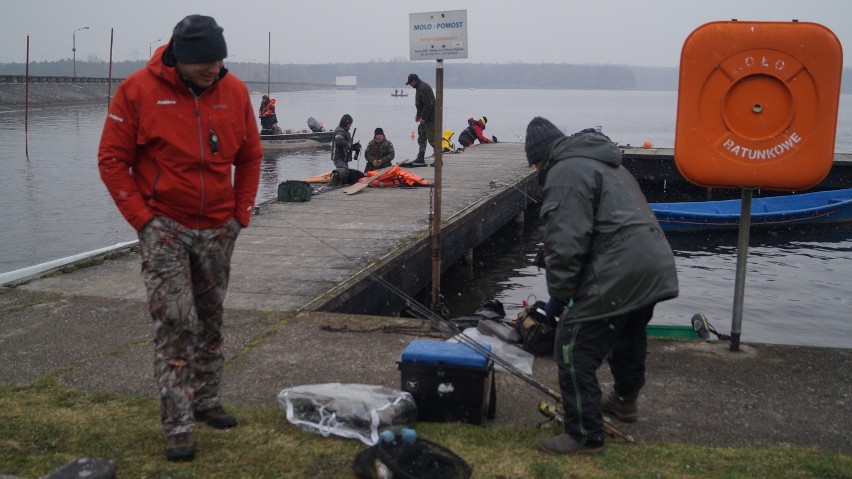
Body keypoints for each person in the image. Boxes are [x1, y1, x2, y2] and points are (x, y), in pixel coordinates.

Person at [97, 14, 262, 462]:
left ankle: (207, 400)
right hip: (164, 225)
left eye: (219, 60)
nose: (215, 68)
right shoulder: (137, 90)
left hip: (218, 228)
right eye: (205, 62)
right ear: (179, 58)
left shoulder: (236, 92)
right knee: (176, 321)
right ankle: (177, 423)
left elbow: (250, 156)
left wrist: (240, 214)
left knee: (210, 318)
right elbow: (112, 160)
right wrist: (142, 221)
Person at [524, 117, 678, 455]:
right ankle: (624, 401)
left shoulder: (563, 173)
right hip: (653, 262)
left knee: (572, 346)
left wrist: (557, 304)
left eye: (534, 164)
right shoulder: (605, 165)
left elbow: (566, 245)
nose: (536, 172)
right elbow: (601, 223)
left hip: (620, 267)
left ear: (542, 157)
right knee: (627, 333)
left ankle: (583, 434)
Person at [405, 73, 436, 165]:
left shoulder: (423, 87)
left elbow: (428, 104)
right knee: (421, 137)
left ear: (414, 81)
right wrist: (418, 115)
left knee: (432, 138)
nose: (410, 85)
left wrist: (423, 117)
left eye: (410, 83)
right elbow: (420, 104)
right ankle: (420, 157)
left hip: (430, 118)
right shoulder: (419, 87)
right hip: (424, 117)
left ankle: (438, 159)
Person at [331, 113, 361, 185]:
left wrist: (354, 147)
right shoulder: (340, 131)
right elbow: (339, 141)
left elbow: (346, 145)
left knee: (345, 173)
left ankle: (340, 183)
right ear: (346, 123)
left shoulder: (344, 131)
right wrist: (349, 144)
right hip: (339, 158)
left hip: (343, 158)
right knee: (343, 173)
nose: (350, 125)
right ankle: (337, 183)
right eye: (350, 123)